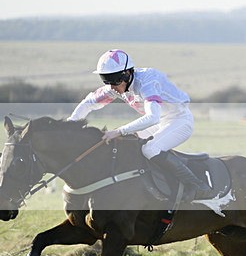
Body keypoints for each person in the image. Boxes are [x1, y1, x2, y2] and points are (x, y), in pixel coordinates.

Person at [68, 49, 212, 199]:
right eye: (106, 80)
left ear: (127, 73)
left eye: (115, 80)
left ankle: (197, 185)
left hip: (179, 120)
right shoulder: (117, 86)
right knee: (125, 142)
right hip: (160, 121)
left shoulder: (147, 82)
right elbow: (88, 104)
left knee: (150, 149)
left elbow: (152, 117)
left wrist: (119, 131)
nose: (112, 87)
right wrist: (69, 126)